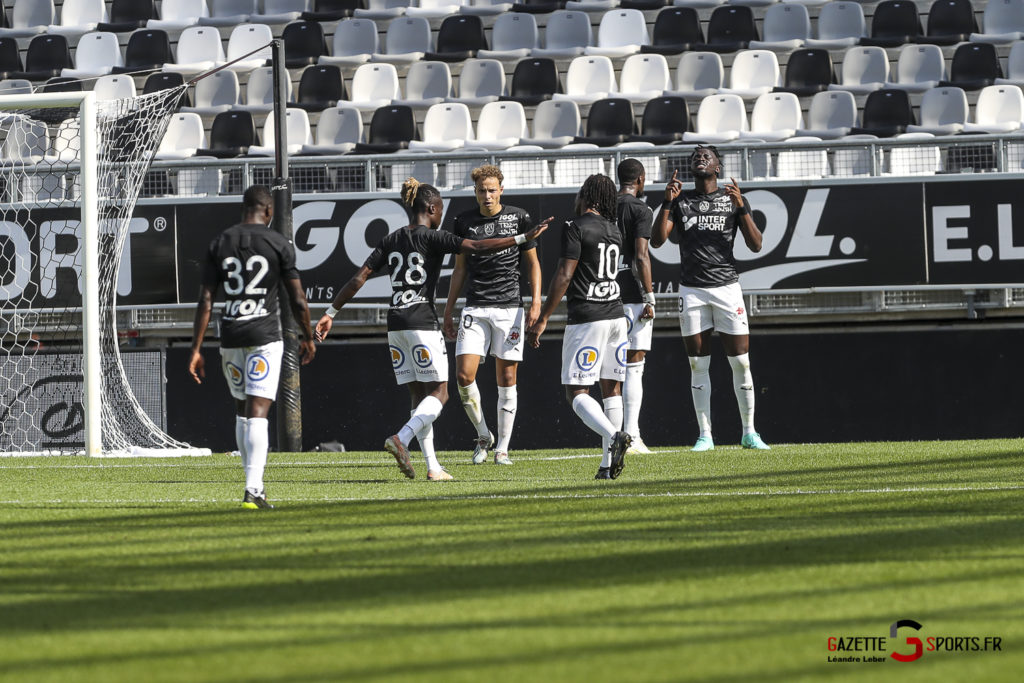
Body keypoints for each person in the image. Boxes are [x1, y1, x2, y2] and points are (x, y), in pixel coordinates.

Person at [315, 178, 550, 481]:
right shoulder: (434, 238)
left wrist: (331, 312)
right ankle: (402, 437)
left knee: (419, 397)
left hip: (395, 324)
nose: (441, 216)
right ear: (431, 208)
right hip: (422, 323)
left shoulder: (391, 239)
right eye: (439, 210)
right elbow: (477, 247)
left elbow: (359, 277)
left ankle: (432, 466)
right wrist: (521, 238)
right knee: (440, 394)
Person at [188, 185, 317, 510]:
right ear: (269, 211)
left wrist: (196, 348)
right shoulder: (278, 243)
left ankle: (253, 487)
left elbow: (205, 299)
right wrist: (308, 336)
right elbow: (298, 299)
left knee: (242, 409)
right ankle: (253, 489)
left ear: (243, 209)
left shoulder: (220, 241)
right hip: (264, 337)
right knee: (258, 410)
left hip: (230, 335)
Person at [651, 145, 770, 451]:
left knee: (741, 363)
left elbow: (756, 245)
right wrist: (666, 203)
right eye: (695, 157)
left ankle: (749, 432)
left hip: (727, 288)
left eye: (707, 156)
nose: (700, 159)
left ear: (718, 167)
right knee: (697, 365)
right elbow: (657, 240)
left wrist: (742, 206)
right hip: (692, 290)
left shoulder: (732, 200)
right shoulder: (682, 201)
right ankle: (705, 435)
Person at [527, 174, 632, 480]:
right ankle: (606, 465)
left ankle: (614, 436)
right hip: (616, 315)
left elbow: (563, 274)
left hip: (589, 317)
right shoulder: (614, 230)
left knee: (576, 392)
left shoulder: (575, 227)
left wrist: (544, 316)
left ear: (588, 197)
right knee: (612, 389)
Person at [442, 165, 542, 466]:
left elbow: (533, 264)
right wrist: (448, 310)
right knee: (463, 376)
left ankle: (503, 449)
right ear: (475, 192)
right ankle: (484, 435)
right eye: (482, 190)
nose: (487, 195)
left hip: (510, 307)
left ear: (501, 189)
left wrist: (536, 302)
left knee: (507, 378)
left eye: (492, 189)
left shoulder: (519, 217)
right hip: (475, 306)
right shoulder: (463, 221)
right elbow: (459, 270)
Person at [615, 158, 656, 455]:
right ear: (640, 179)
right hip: (631, 295)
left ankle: (612, 435)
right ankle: (632, 435)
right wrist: (649, 296)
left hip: (602, 295)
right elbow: (641, 256)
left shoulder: (600, 207)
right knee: (634, 366)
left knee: (610, 368)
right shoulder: (641, 210)